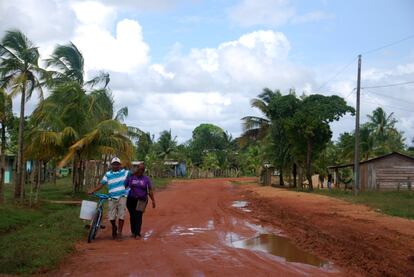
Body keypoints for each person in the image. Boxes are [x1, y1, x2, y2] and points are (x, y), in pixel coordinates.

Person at [88, 157, 129, 240]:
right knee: (111, 216)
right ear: (111, 165)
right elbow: (101, 184)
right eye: (114, 164)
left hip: (122, 196)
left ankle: (120, 233)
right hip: (111, 197)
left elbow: (135, 174)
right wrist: (93, 190)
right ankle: (114, 227)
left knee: (121, 215)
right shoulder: (107, 174)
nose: (116, 166)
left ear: (120, 165)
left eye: (117, 164)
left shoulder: (125, 172)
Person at [125, 163, 156, 239]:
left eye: (142, 169)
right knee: (132, 216)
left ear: (143, 171)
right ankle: (133, 232)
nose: (140, 171)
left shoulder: (146, 179)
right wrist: (129, 176)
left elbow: (150, 190)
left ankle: (137, 233)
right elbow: (125, 185)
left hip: (141, 200)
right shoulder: (131, 177)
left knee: (138, 215)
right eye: (139, 169)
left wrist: (153, 200)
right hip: (131, 199)